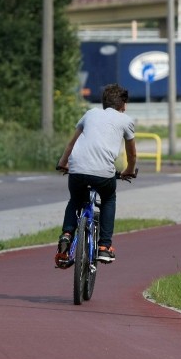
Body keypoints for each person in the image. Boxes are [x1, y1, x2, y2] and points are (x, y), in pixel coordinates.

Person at [55, 83, 137, 267]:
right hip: (103, 174)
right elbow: (132, 154)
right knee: (108, 199)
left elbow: (71, 144)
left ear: (104, 103)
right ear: (122, 105)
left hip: (77, 170)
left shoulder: (90, 113)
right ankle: (104, 247)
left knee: (75, 200)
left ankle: (67, 234)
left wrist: (62, 164)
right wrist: (129, 171)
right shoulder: (126, 121)